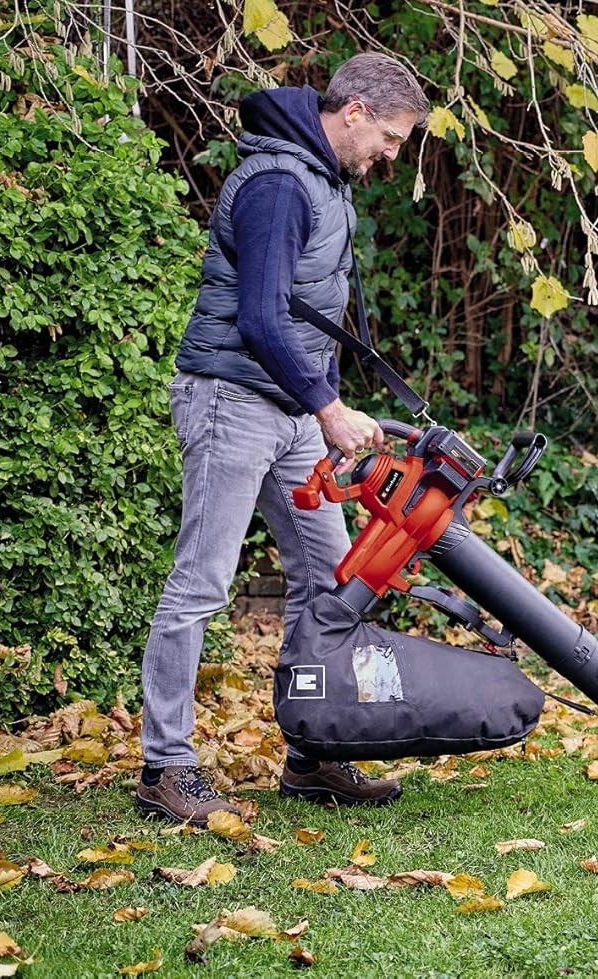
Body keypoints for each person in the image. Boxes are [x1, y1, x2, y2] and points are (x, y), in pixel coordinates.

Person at [134, 53, 430, 825]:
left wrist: (320, 405)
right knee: (200, 583)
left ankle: (312, 750)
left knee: (329, 579)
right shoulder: (278, 183)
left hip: (289, 411)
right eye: (393, 138)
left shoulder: (324, 180)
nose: (393, 156)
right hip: (232, 400)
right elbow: (261, 319)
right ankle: (164, 764)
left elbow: (302, 317)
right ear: (356, 110)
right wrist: (329, 408)